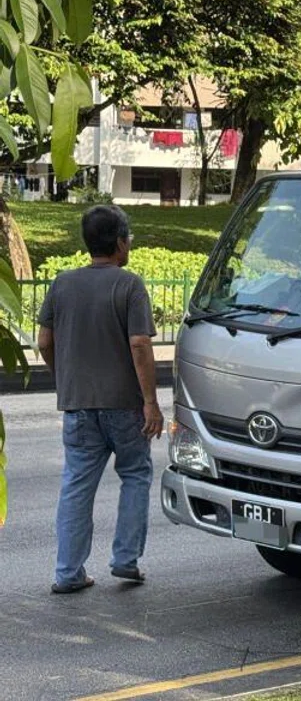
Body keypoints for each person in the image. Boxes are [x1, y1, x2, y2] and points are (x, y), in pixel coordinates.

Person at [37, 205, 164, 594]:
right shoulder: (129, 285)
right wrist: (150, 402)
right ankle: (125, 559)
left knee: (76, 484)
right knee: (136, 474)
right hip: (124, 406)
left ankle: (68, 572)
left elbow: (44, 340)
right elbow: (140, 344)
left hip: (78, 405)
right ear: (120, 242)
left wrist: (66, 378)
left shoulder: (62, 283)